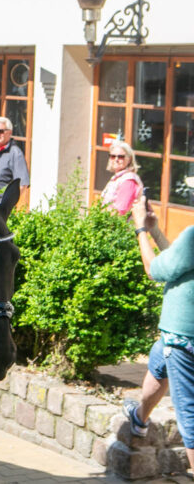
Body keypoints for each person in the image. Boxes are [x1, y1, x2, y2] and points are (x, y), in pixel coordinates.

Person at [129, 195, 194, 473]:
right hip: (173, 338)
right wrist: (155, 230)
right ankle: (139, 419)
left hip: (183, 337)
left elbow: (154, 269)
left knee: (189, 416)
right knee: (158, 362)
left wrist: (141, 229)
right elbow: (177, 265)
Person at [101, 140, 143, 215]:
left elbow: (121, 212)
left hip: (120, 225)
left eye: (121, 157)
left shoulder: (128, 181)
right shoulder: (117, 177)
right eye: (113, 156)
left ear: (129, 159)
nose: (116, 159)